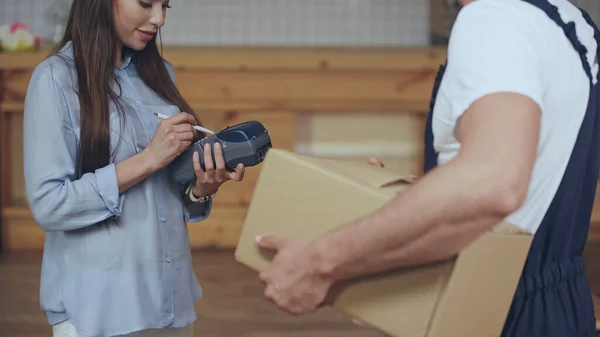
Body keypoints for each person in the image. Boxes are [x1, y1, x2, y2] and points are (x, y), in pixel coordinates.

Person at [255, 0, 600, 336]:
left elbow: (491, 183)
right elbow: (531, 170)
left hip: (495, 308)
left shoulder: (495, 19)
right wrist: (413, 199)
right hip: (557, 299)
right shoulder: (566, 21)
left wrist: (317, 262)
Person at [22, 0, 246, 336]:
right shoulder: (54, 80)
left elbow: (164, 194)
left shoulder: (161, 74)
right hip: (98, 307)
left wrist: (202, 187)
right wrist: (149, 159)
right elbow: (49, 205)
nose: (159, 19)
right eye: (145, 3)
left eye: (165, 6)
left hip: (169, 302)